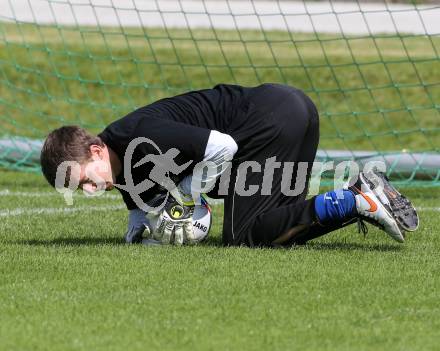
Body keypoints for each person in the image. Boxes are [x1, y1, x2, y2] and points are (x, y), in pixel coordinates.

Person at [39, 83, 418, 247]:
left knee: (244, 236)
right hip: (291, 109)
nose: (89, 191)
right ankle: (361, 200)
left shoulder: (141, 137)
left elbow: (223, 145)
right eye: (78, 190)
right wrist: (140, 234)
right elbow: (138, 205)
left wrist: (188, 194)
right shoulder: (117, 163)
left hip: (271, 118)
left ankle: (355, 198)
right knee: (280, 225)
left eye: (85, 180)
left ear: (97, 150)